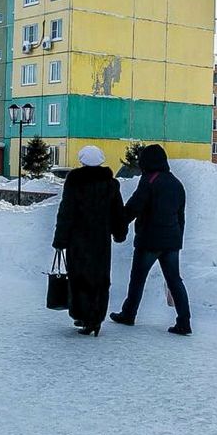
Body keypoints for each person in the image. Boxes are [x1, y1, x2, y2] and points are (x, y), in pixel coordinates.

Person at [110, 144, 193, 335]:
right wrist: (178, 239)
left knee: (138, 279)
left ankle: (128, 314)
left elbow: (134, 206)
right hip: (171, 242)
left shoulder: (149, 180)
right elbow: (180, 215)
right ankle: (184, 321)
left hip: (149, 240)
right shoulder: (176, 183)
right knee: (174, 280)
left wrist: (118, 224)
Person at [51, 145, 126, 336]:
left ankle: (84, 316)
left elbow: (66, 212)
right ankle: (96, 317)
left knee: (80, 278)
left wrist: (60, 239)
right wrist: (119, 233)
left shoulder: (75, 182)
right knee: (100, 278)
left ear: (82, 161)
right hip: (101, 241)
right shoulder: (111, 184)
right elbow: (118, 212)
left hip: (78, 240)